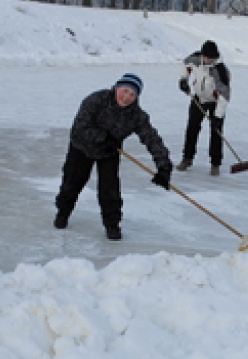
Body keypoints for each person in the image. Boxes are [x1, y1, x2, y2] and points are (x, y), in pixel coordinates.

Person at [54, 73, 172, 240]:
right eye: (125, 91)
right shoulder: (96, 100)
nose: (127, 97)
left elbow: (152, 139)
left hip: (109, 152)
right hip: (82, 147)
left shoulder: (136, 115)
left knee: (110, 189)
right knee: (72, 182)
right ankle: (63, 213)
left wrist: (164, 166)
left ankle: (112, 224)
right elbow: (79, 127)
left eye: (133, 94)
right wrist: (102, 137)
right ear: (117, 87)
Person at [176, 40, 231, 176]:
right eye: (206, 57)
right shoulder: (195, 59)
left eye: (210, 58)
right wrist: (183, 80)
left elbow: (224, 96)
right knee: (192, 128)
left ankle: (215, 163)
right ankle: (187, 158)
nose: (207, 60)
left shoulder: (220, 70)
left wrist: (217, 117)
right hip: (199, 98)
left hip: (215, 102)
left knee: (216, 132)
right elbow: (186, 65)